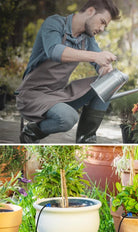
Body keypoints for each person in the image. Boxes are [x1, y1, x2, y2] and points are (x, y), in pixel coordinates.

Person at [16, 0, 120, 143]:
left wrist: (105, 69)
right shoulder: (54, 23)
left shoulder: (87, 39)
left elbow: (99, 64)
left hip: (58, 95)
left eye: (105, 25)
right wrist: (96, 56)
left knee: (109, 83)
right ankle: (32, 132)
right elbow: (55, 51)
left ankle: (86, 140)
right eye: (102, 22)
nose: (102, 28)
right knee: (68, 118)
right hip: (33, 95)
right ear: (90, 11)